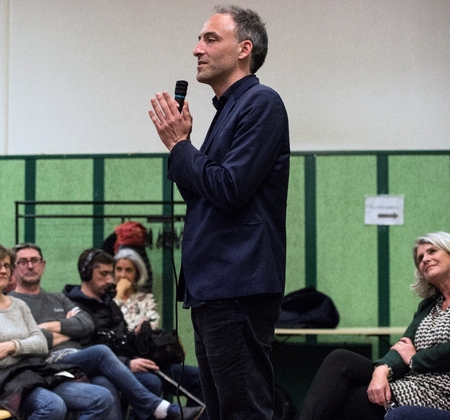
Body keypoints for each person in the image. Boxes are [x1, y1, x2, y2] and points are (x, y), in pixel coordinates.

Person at [148, 5, 290, 419]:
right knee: (221, 411)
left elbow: (229, 189)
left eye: (210, 39)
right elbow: (203, 196)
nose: (197, 49)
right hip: (214, 286)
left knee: (243, 411)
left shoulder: (261, 103)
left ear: (244, 49)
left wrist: (180, 148)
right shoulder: (225, 111)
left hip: (238, 284)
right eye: (199, 39)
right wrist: (187, 146)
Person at [9, 242, 205, 420]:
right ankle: (158, 407)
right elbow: (30, 340)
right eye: (23, 261)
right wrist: (66, 330)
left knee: (112, 383)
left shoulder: (59, 299)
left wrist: (48, 327)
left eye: (34, 260)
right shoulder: (13, 303)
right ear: (14, 267)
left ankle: (160, 408)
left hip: (83, 358)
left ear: (43, 265)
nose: (30, 265)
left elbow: (85, 324)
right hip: (49, 364)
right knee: (102, 357)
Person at [294, 231, 450, 420]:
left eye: (432, 251)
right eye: (420, 258)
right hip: (414, 381)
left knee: (344, 400)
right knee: (340, 359)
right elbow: (403, 346)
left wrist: (415, 359)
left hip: (446, 393)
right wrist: (381, 370)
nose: (425, 259)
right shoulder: (428, 306)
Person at [0, 243, 119, 420]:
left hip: (33, 374)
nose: (3, 270)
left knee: (102, 397)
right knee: (52, 405)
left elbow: (42, 345)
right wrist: (28, 349)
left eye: (6, 265)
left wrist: (11, 346)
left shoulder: (19, 305)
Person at [113, 247, 205, 417]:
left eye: (128, 270)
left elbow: (149, 333)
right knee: (151, 383)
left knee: (200, 377)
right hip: (125, 362)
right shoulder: (109, 300)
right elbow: (118, 332)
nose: (123, 275)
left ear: (137, 273)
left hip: (152, 360)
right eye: (118, 269)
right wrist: (118, 296)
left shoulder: (146, 299)